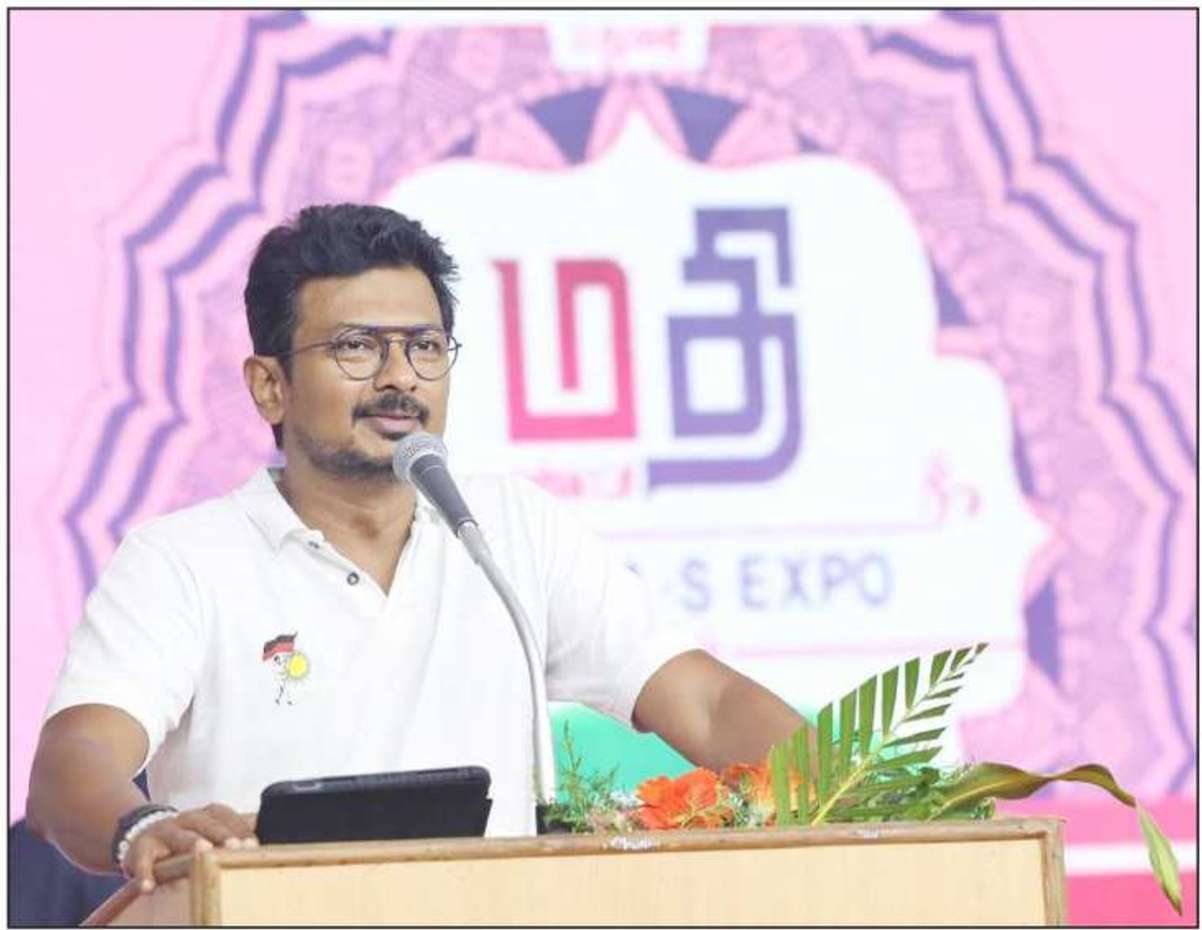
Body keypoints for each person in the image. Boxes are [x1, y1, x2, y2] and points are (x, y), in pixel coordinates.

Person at [27, 204, 803, 896]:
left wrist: (849, 792)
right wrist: (144, 828)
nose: (400, 377)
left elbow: (709, 706)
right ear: (270, 386)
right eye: (356, 347)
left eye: (425, 346)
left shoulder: (510, 530)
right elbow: (75, 760)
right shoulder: (184, 559)